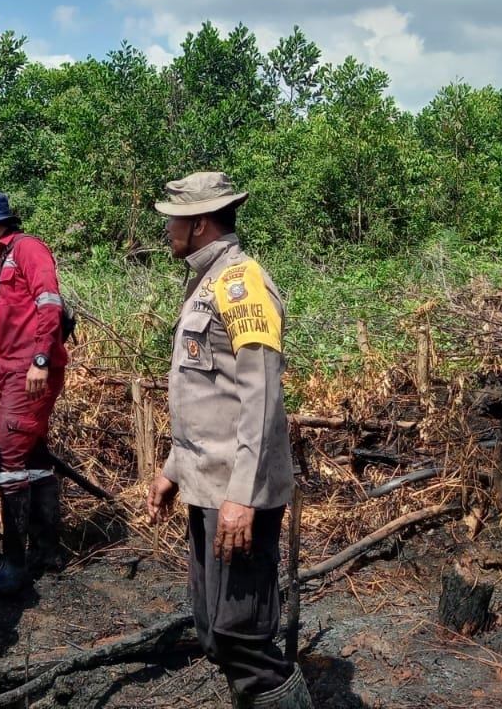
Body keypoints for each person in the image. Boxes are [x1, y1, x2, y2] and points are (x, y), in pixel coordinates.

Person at [146, 173, 309, 709]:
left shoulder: (242, 284)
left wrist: (242, 496)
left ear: (199, 224)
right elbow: (207, 396)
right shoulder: (206, 281)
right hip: (206, 483)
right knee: (215, 631)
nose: (167, 227)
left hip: (238, 492)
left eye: (174, 218)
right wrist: (174, 468)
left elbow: (260, 399)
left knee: (243, 635)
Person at [0, 190, 70, 598]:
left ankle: (14, 564)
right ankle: (45, 551)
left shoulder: (28, 250)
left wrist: (41, 360)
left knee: (5, 457)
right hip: (11, 371)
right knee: (33, 455)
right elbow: (0, 334)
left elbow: (49, 305)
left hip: (31, 370)